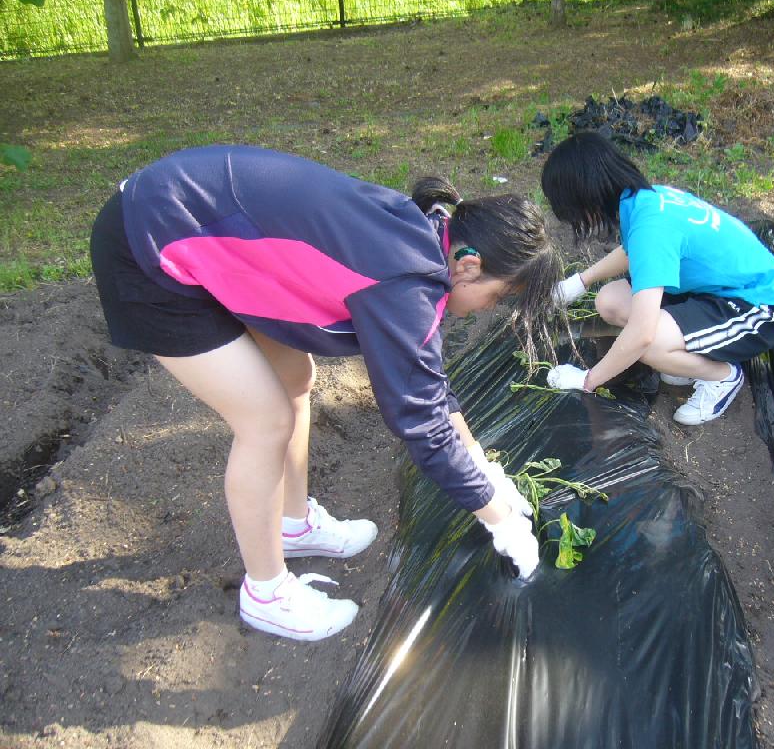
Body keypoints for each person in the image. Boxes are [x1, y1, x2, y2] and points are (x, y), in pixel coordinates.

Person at [90, 145, 561, 641]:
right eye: (498, 296)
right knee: (264, 421)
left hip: (198, 219)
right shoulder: (404, 284)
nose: (487, 308)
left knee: (294, 377)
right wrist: (500, 517)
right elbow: (422, 424)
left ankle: (293, 524)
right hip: (151, 241)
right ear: (468, 265)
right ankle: (267, 594)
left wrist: (482, 465)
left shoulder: (425, 231)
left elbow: (429, 387)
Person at [541, 131, 774, 425]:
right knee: (610, 302)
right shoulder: (643, 199)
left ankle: (722, 377)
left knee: (650, 343)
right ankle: (689, 357)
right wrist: (580, 282)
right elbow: (633, 250)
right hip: (709, 289)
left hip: (755, 307)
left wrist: (587, 380)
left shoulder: (652, 226)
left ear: (584, 198)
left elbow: (641, 334)